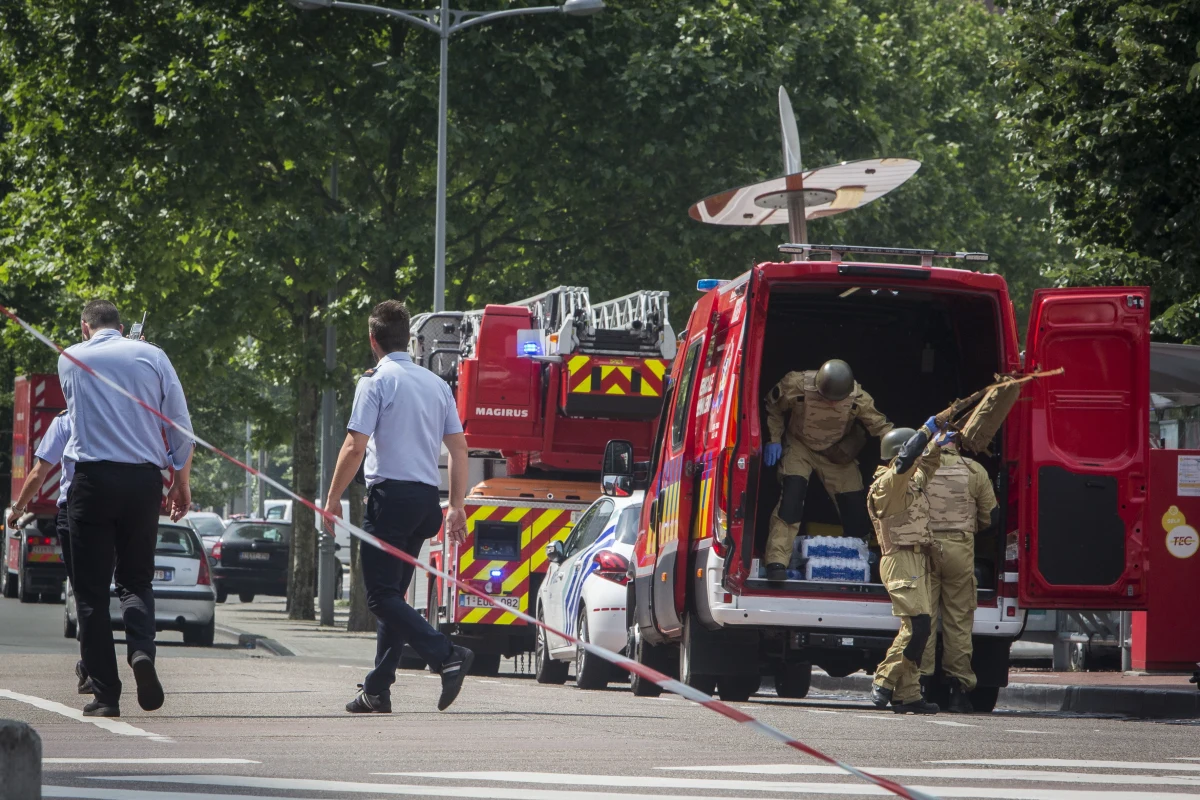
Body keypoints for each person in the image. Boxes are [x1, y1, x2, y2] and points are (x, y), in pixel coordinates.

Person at [322, 299, 473, 714]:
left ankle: (446, 655)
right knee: (394, 597)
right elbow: (459, 449)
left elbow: (354, 446)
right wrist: (456, 505)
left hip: (390, 500)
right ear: (409, 339)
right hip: (426, 502)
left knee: (379, 597)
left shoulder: (375, 381)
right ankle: (378, 689)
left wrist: (331, 500)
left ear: (373, 340)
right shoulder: (436, 385)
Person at [59, 300, 194, 717]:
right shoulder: (153, 356)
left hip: (92, 481)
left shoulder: (69, 359)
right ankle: (141, 652)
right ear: (120, 327)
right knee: (136, 580)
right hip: (142, 483)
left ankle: (106, 695)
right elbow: (179, 424)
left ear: (85, 327)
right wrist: (180, 481)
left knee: (91, 595)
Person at [762, 359, 893, 581]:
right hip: (799, 446)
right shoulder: (797, 384)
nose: (831, 403)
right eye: (827, 398)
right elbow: (773, 405)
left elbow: (881, 426)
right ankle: (777, 561)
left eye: (836, 400)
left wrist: (899, 450)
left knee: (854, 506)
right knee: (791, 500)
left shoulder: (858, 398)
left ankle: (862, 561)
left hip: (835, 453)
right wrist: (773, 439)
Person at [6, 410, 93, 695]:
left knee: (86, 595)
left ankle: (93, 669)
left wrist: (18, 508)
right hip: (120, 512)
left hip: (76, 512)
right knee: (114, 590)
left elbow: (39, 472)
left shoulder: (66, 421)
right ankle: (140, 653)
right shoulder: (117, 415)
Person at [867, 418, 948, 715]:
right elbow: (906, 461)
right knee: (918, 627)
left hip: (918, 559)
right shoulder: (887, 484)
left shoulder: (911, 480)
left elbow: (926, 467)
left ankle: (908, 694)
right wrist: (926, 431)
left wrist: (936, 445)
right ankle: (883, 680)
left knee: (919, 630)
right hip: (899, 559)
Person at [919, 440, 998, 713]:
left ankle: (919, 686)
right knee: (959, 622)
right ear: (957, 444)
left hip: (924, 550)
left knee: (923, 619)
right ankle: (958, 692)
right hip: (959, 551)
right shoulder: (974, 470)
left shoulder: (919, 468)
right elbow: (991, 517)